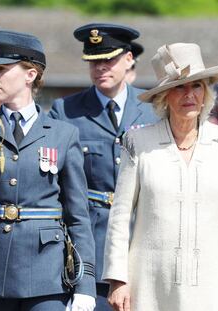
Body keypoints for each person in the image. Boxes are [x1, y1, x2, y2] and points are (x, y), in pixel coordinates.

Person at [102, 42, 218, 311]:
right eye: (179, 87)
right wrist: (117, 278)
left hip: (212, 281)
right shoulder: (138, 141)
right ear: (164, 97)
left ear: (206, 93)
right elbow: (120, 216)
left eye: (196, 86)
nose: (189, 95)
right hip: (150, 282)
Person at [48, 23, 159, 311]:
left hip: (142, 237)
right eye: (94, 61)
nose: (100, 68)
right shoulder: (66, 110)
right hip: (92, 242)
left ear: (129, 59)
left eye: (108, 59)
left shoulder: (154, 108)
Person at [0, 30, 96, 310]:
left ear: (30, 75)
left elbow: (78, 215)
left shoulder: (62, 134)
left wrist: (86, 285)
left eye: (1, 69)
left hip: (45, 273)